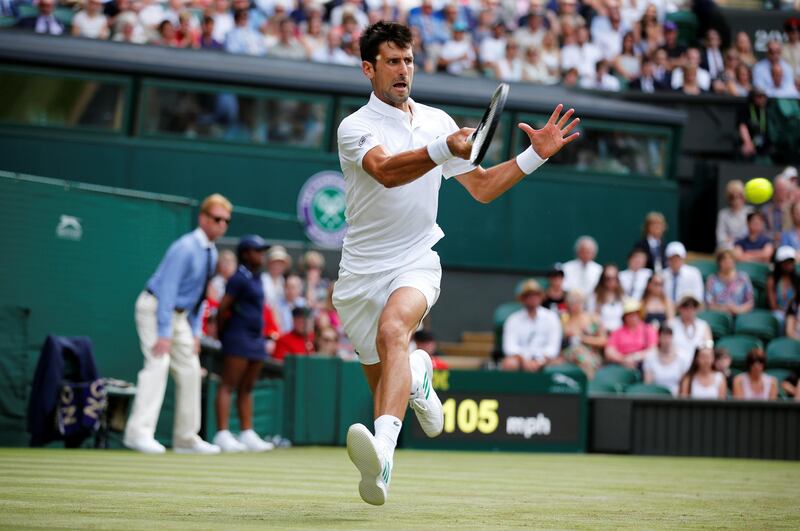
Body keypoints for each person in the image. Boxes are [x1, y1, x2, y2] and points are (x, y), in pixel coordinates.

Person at [333, 20, 579, 507]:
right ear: (369, 69)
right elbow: (385, 172)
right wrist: (443, 149)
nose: (403, 70)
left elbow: (484, 187)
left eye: (408, 60)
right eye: (391, 61)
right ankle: (419, 376)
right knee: (386, 375)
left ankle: (383, 456)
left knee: (393, 331)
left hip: (416, 259)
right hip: (359, 274)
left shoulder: (436, 120)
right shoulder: (355, 127)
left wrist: (535, 156)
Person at [124, 194, 232, 455]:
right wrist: (163, 334)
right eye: (217, 219)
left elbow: (198, 297)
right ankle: (138, 434)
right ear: (203, 218)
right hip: (155, 309)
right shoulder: (184, 247)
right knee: (157, 365)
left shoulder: (211, 252)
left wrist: (195, 333)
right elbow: (167, 291)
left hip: (180, 317)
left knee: (191, 370)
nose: (221, 225)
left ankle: (185, 438)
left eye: (226, 221)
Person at [213, 235, 274, 453]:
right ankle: (222, 433)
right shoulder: (237, 278)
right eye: (258, 251)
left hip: (256, 340)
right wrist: (223, 334)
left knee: (247, 388)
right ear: (246, 253)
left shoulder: (257, 278)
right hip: (238, 338)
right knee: (228, 385)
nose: (262, 256)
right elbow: (222, 308)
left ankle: (247, 433)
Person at [501, 280, 563, 372]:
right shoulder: (513, 320)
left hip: (546, 360)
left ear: (541, 297)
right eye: (529, 295)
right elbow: (510, 347)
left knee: (559, 361)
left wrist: (540, 361)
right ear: (523, 299)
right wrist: (524, 360)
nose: (533, 298)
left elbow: (553, 348)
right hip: (521, 359)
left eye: (536, 295)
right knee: (509, 364)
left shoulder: (551, 317)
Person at [561, 290, 606, 379]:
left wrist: (583, 338)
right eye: (572, 302)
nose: (576, 305)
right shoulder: (565, 321)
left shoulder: (593, 318)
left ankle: (590, 385)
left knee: (586, 359)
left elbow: (603, 341)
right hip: (572, 354)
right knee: (579, 353)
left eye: (578, 301)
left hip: (592, 354)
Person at [604, 298, 657, 369]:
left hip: (643, 365)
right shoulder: (617, 332)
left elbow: (653, 350)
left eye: (635, 313)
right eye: (629, 314)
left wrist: (636, 357)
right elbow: (609, 351)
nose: (633, 317)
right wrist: (623, 359)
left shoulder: (648, 329)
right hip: (622, 365)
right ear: (624, 316)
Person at [667, 293, 713, 369]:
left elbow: (709, 346)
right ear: (680, 308)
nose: (689, 310)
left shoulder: (703, 325)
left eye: (693, 307)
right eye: (685, 307)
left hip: (697, 365)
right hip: (675, 363)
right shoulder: (671, 324)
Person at [705, 249, 754, 317]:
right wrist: (723, 309)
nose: (728, 261)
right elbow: (709, 303)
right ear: (719, 262)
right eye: (724, 259)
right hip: (718, 315)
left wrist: (738, 309)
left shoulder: (743, 278)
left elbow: (750, 303)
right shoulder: (712, 279)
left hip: (740, 315)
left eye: (731, 259)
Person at [643, 326, 684, 396]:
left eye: (669, 337)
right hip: (656, 397)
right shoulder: (650, 357)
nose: (667, 341)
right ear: (659, 338)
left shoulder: (682, 357)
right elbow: (648, 384)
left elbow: (684, 384)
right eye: (664, 338)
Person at [587, 263, 624, 332]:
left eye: (614, 278)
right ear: (602, 279)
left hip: (619, 335)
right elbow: (591, 318)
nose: (611, 281)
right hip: (601, 334)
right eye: (607, 278)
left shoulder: (622, 296)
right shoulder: (594, 296)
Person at [737, 89, 772, 163]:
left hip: (764, 148)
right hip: (748, 147)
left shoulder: (767, 110)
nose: (762, 99)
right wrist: (748, 143)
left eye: (764, 97)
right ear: (753, 98)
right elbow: (742, 126)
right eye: (759, 97)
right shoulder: (746, 109)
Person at [766, 245, 797, 326]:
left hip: (795, 312)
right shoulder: (772, 280)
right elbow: (774, 306)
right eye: (786, 262)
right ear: (779, 264)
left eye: (791, 262)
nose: (789, 265)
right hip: (780, 313)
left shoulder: (797, 280)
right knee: (780, 318)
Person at [716, 180, 751, 250]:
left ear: (744, 196)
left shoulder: (750, 211)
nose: (736, 199)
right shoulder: (723, 214)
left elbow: (750, 235)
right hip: (728, 249)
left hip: (747, 249)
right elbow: (720, 238)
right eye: (733, 196)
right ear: (729, 198)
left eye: (739, 196)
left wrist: (733, 239)